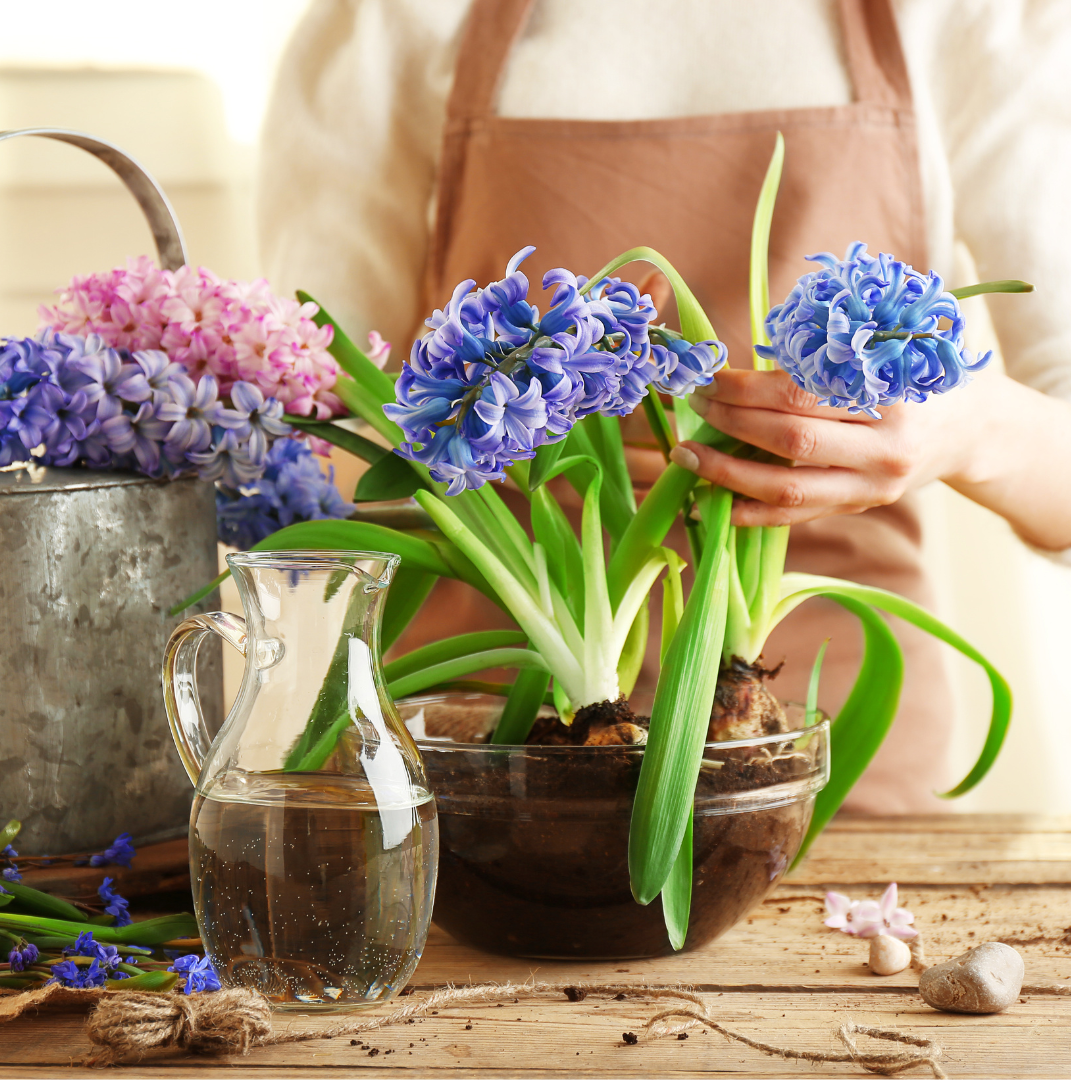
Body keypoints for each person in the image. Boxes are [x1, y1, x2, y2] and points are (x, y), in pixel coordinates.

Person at [258, 0, 1071, 812]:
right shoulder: (384, 22)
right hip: (492, 749)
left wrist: (970, 427)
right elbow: (320, 422)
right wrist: (528, 413)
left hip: (817, 740)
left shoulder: (978, 17)